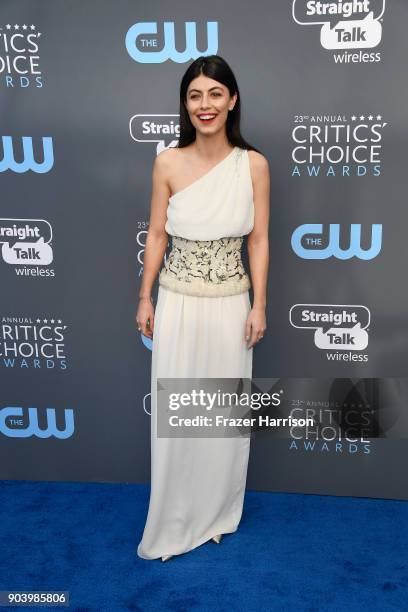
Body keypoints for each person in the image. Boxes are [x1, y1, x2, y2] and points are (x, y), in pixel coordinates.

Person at [135, 54, 270, 561]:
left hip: (230, 306)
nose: (205, 104)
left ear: (232, 100)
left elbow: (258, 241)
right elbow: (156, 233)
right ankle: (172, 517)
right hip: (179, 305)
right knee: (176, 415)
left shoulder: (253, 164)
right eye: (195, 95)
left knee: (220, 416)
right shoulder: (167, 162)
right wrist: (145, 296)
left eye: (215, 93)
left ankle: (215, 512)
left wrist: (259, 305)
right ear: (185, 104)